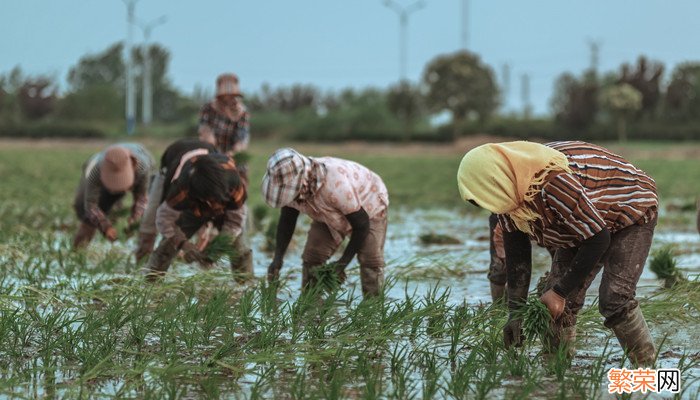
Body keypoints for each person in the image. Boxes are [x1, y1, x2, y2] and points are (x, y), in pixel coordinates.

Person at [458, 140, 658, 365]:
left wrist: (560, 292)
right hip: (585, 222)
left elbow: (598, 238)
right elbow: (518, 257)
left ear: (496, 180)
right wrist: (516, 313)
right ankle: (557, 372)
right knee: (552, 299)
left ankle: (647, 369)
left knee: (614, 298)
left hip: (629, 209)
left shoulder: (551, 183)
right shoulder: (509, 197)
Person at [263, 148, 389, 297]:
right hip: (326, 212)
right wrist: (278, 258)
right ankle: (310, 303)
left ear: (301, 182)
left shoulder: (336, 185)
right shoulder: (293, 189)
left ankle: (373, 307)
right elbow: (287, 221)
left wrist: (342, 264)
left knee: (370, 260)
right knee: (313, 256)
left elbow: (361, 225)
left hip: (368, 205)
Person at [143, 151, 252, 282]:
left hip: (226, 210)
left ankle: (246, 285)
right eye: (207, 200)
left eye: (213, 200)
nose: (211, 204)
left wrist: (216, 249)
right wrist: (183, 244)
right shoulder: (182, 188)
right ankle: (150, 284)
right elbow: (165, 219)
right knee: (167, 246)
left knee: (238, 248)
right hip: (194, 211)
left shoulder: (234, 182)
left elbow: (235, 221)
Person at [134, 138, 217, 261]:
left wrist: (206, 227)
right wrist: (180, 241)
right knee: (151, 217)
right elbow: (164, 212)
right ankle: (143, 256)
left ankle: (205, 259)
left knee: (209, 226)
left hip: (206, 166)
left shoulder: (216, 182)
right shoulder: (175, 181)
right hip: (169, 167)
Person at [72, 143, 155, 249]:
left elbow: (142, 198)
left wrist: (135, 218)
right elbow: (91, 205)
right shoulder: (95, 170)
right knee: (84, 212)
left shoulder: (143, 167)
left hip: (140, 171)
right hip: (99, 177)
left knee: (148, 215)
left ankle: (145, 255)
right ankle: (78, 250)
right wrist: (105, 226)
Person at [198, 73, 250, 156]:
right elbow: (206, 133)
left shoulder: (242, 113)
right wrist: (217, 154)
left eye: (234, 96)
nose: (232, 100)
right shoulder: (208, 109)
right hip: (211, 152)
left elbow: (241, 139)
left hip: (232, 154)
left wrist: (232, 154)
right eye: (228, 96)